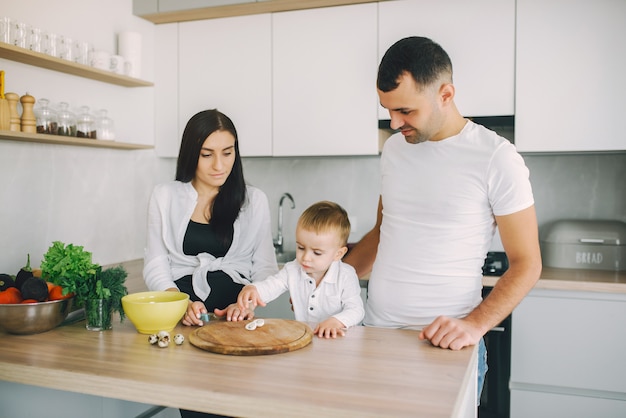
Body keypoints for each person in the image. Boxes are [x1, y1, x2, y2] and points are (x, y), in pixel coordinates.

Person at [343, 36, 542, 399]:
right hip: (374, 333)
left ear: (445, 94)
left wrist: (473, 325)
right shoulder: (394, 150)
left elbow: (527, 264)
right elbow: (384, 231)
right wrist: (327, 282)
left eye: (405, 111)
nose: (393, 122)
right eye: (387, 110)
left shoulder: (496, 157)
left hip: (445, 348)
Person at [143, 109, 278, 327]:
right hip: (179, 318)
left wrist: (246, 305)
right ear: (190, 154)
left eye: (227, 153)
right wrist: (178, 303)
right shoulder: (164, 196)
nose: (219, 165)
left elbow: (265, 267)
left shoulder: (254, 201)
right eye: (207, 155)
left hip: (236, 322)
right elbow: (155, 263)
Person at [225, 201, 364, 338]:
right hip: (306, 337)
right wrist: (253, 290)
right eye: (301, 248)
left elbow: (356, 310)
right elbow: (272, 285)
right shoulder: (292, 269)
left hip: (340, 339)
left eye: (317, 252)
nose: (305, 258)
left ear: (338, 254)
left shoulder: (346, 275)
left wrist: (337, 321)